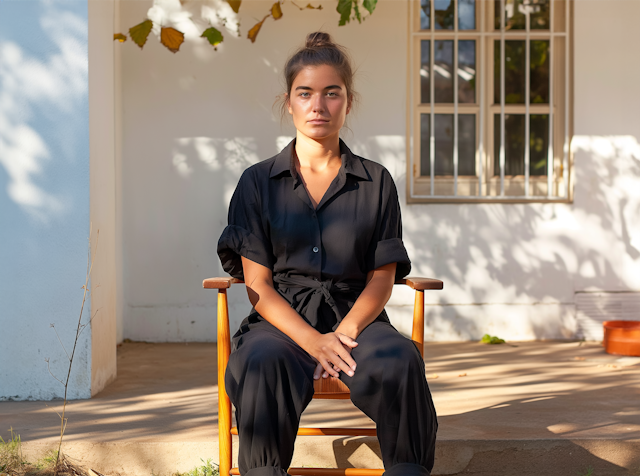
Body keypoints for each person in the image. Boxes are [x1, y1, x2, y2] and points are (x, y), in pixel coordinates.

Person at [217, 32, 438, 476]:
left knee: (400, 361)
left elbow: (382, 276)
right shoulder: (257, 183)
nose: (318, 105)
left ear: (348, 102)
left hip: (357, 320)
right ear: (289, 102)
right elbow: (257, 285)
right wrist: (313, 341)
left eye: (331, 93)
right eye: (306, 93)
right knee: (261, 363)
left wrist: (342, 334)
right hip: (281, 320)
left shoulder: (376, 182)